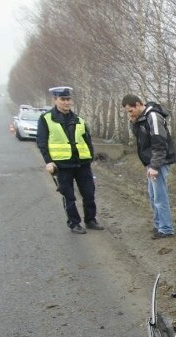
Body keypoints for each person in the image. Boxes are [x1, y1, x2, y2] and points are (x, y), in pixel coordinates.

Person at [37, 86, 104, 234]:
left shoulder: (78, 119)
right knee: (69, 196)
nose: (67, 102)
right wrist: (48, 161)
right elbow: (42, 142)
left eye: (68, 99)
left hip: (82, 163)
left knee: (89, 193)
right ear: (55, 100)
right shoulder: (46, 119)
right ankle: (74, 223)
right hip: (62, 164)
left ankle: (90, 220)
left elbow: (87, 139)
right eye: (63, 99)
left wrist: (90, 156)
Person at [121, 94, 175, 238]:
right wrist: (133, 122)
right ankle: (159, 226)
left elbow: (159, 143)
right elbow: (141, 139)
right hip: (151, 162)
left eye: (130, 111)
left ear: (138, 104)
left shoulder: (153, 116)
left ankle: (166, 229)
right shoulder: (141, 118)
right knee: (153, 196)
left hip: (159, 163)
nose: (129, 114)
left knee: (160, 197)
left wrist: (155, 166)